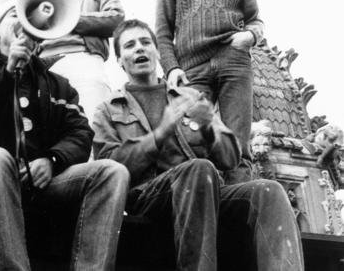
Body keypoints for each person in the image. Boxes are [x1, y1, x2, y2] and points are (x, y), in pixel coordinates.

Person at [93, 19, 304, 270]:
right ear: (119, 59)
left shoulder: (190, 97)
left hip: (206, 191)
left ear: (157, 52)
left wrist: (209, 127)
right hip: (149, 197)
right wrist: (160, 134)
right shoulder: (108, 110)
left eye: (145, 42)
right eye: (130, 45)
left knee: (268, 191)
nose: (139, 48)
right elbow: (112, 166)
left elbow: (230, 159)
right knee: (198, 168)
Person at [0, 2, 129, 270]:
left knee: (112, 172)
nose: (25, 22)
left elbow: (80, 132)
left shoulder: (58, 84)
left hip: (38, 184)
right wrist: (7, 74)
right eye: (14, 16)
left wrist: (53, 160)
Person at [155, 0, 264, 183]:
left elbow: (256, 21)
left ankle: (240, 203)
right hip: (193, 67)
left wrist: (249, 37)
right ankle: (205, 199)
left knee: (237, 141)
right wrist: (170, 69)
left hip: (234, 61)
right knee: (193, 135)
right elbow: (163, 31)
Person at [40, 0, 124, 121]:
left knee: (93, 126)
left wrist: (69, 19)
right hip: (44, 65)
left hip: (86, 60)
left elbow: (117, 18)